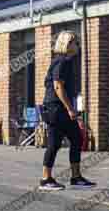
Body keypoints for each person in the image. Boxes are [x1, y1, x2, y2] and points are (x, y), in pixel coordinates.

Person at [38, 30, 96, 191]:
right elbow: (58, 86)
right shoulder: (61, 61)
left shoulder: (68, 61)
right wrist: (70, 109)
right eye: (73, 42)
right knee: (54, 143)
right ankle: (45, 179)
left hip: (62, 108)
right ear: (66, 44)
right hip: (56, 108)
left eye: (76, 41)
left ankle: (76, 177)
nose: (77, 45)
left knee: (77, 139)